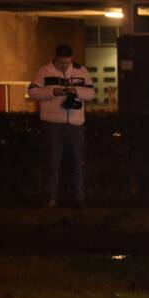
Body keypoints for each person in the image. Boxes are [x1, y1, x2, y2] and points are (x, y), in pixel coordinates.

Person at [27, 44, 96, 208]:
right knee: (52, 162)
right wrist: (53, 92)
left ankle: (77, 197)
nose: (65, 65)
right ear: (56, 58)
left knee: (77, 162)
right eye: (62, 62)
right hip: (52, 124)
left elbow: (92, 93)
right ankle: (51, 197)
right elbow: (32, 92)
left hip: (75, 123)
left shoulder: (81, 71)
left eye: (68, 62)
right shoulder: (44, 71)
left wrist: (76, 92)